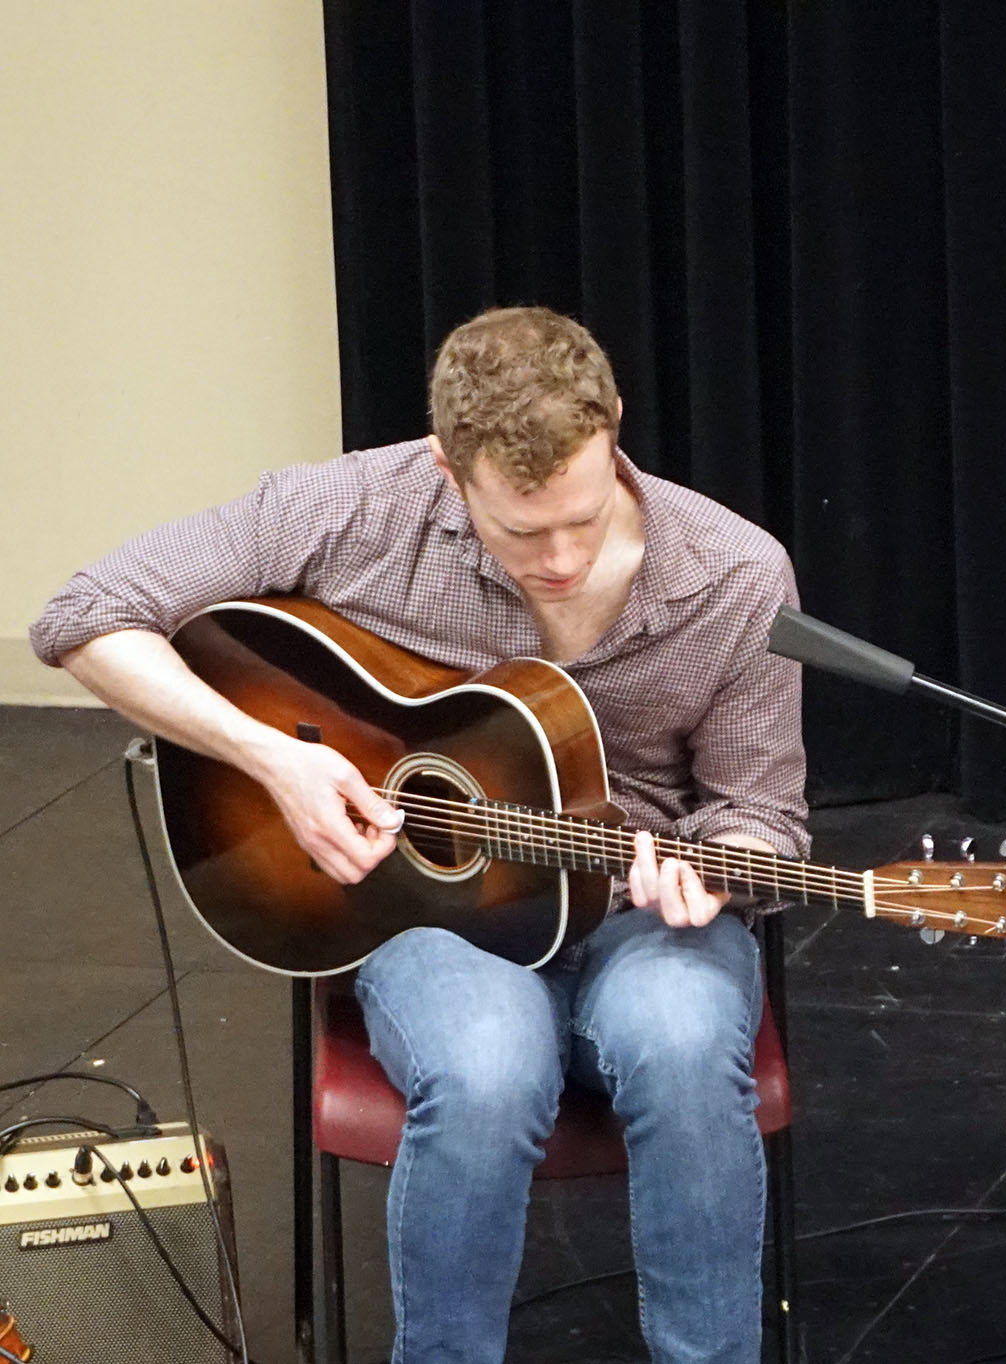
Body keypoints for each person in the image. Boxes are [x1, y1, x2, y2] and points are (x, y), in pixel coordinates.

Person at [31, 305, 806, 1364]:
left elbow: (761, 812)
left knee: (678, 1041)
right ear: (447, 466)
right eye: (523, 530)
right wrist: (273, 757)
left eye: (582, 516)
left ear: (615, 427)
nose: (565, 557)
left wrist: (725, 869)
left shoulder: (735, 572)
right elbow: (84, 612)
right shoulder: (346, 508)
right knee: (488, 1066)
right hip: (431, 911)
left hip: (638, 909)